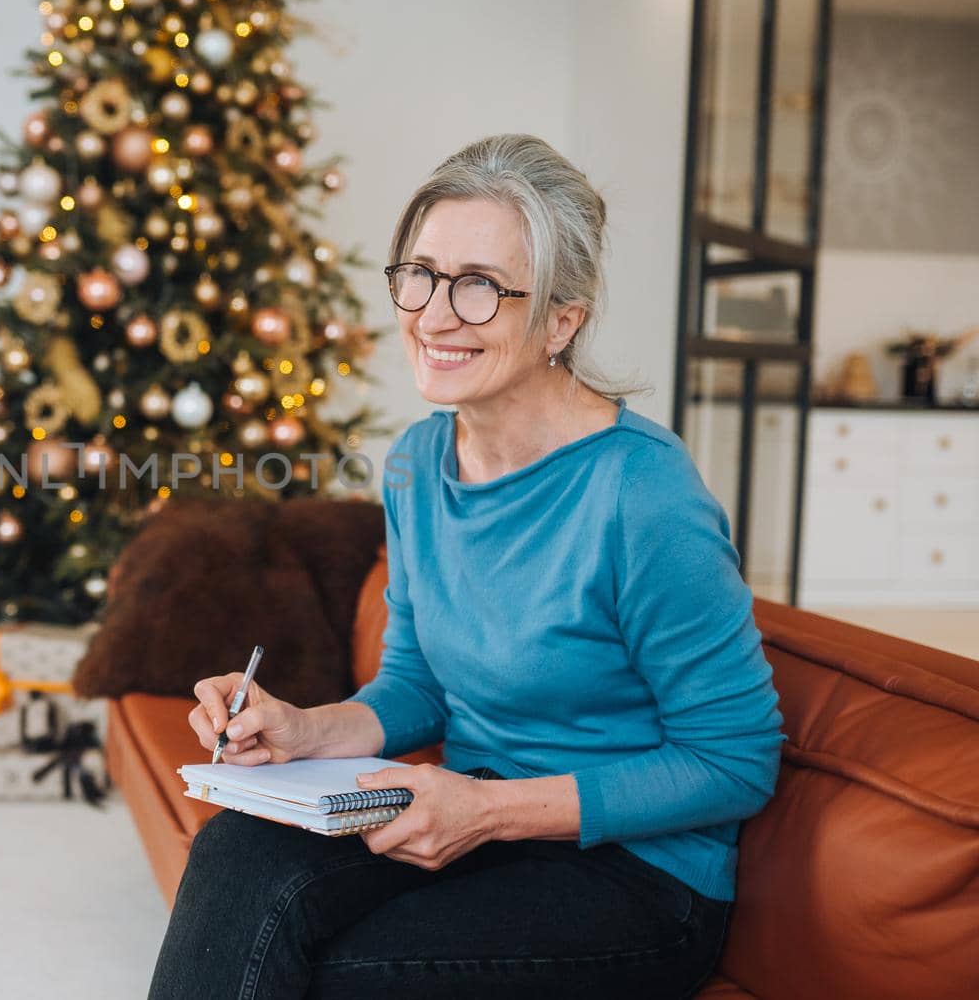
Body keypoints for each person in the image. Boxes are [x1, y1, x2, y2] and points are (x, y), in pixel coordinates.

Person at [148, 134, 784, 999]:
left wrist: (490, 812)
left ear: (561, 320)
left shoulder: (643, 494)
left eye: (480, 287)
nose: (434, 315)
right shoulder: (416, 460)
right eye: (421, 274)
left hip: (633, 879)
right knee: (236, 846)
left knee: (335, 976)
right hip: (466, 807)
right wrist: (303, 729)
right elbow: (418, 682)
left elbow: (736, 759)